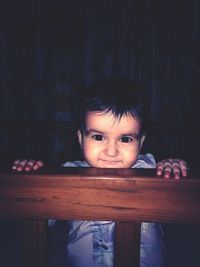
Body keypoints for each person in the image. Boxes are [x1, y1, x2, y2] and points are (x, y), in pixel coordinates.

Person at [12, 77, 188, 267]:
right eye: (98, 137)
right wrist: (30, 178)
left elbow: (183, 203)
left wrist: (173, 167)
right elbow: (34, 211)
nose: (111, 152)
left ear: (141, 142)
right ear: (81, 138)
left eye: (126, 139)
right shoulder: (68, 176)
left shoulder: (151, 170)